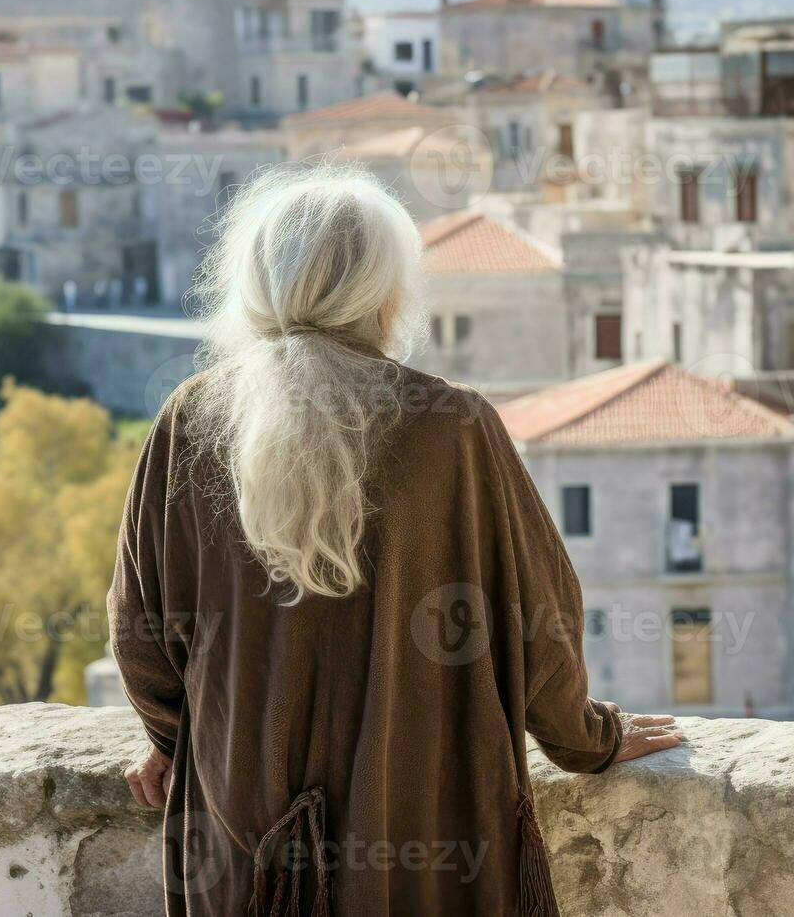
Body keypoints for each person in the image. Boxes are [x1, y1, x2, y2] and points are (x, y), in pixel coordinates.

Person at [109, 165, 683, 916]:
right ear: (384, 291)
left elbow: (139, 630)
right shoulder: (453, 427)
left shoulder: (191, 418)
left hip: (239, 823)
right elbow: (540, 620)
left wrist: (179, 740)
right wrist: (588, 738)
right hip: (425, 825)